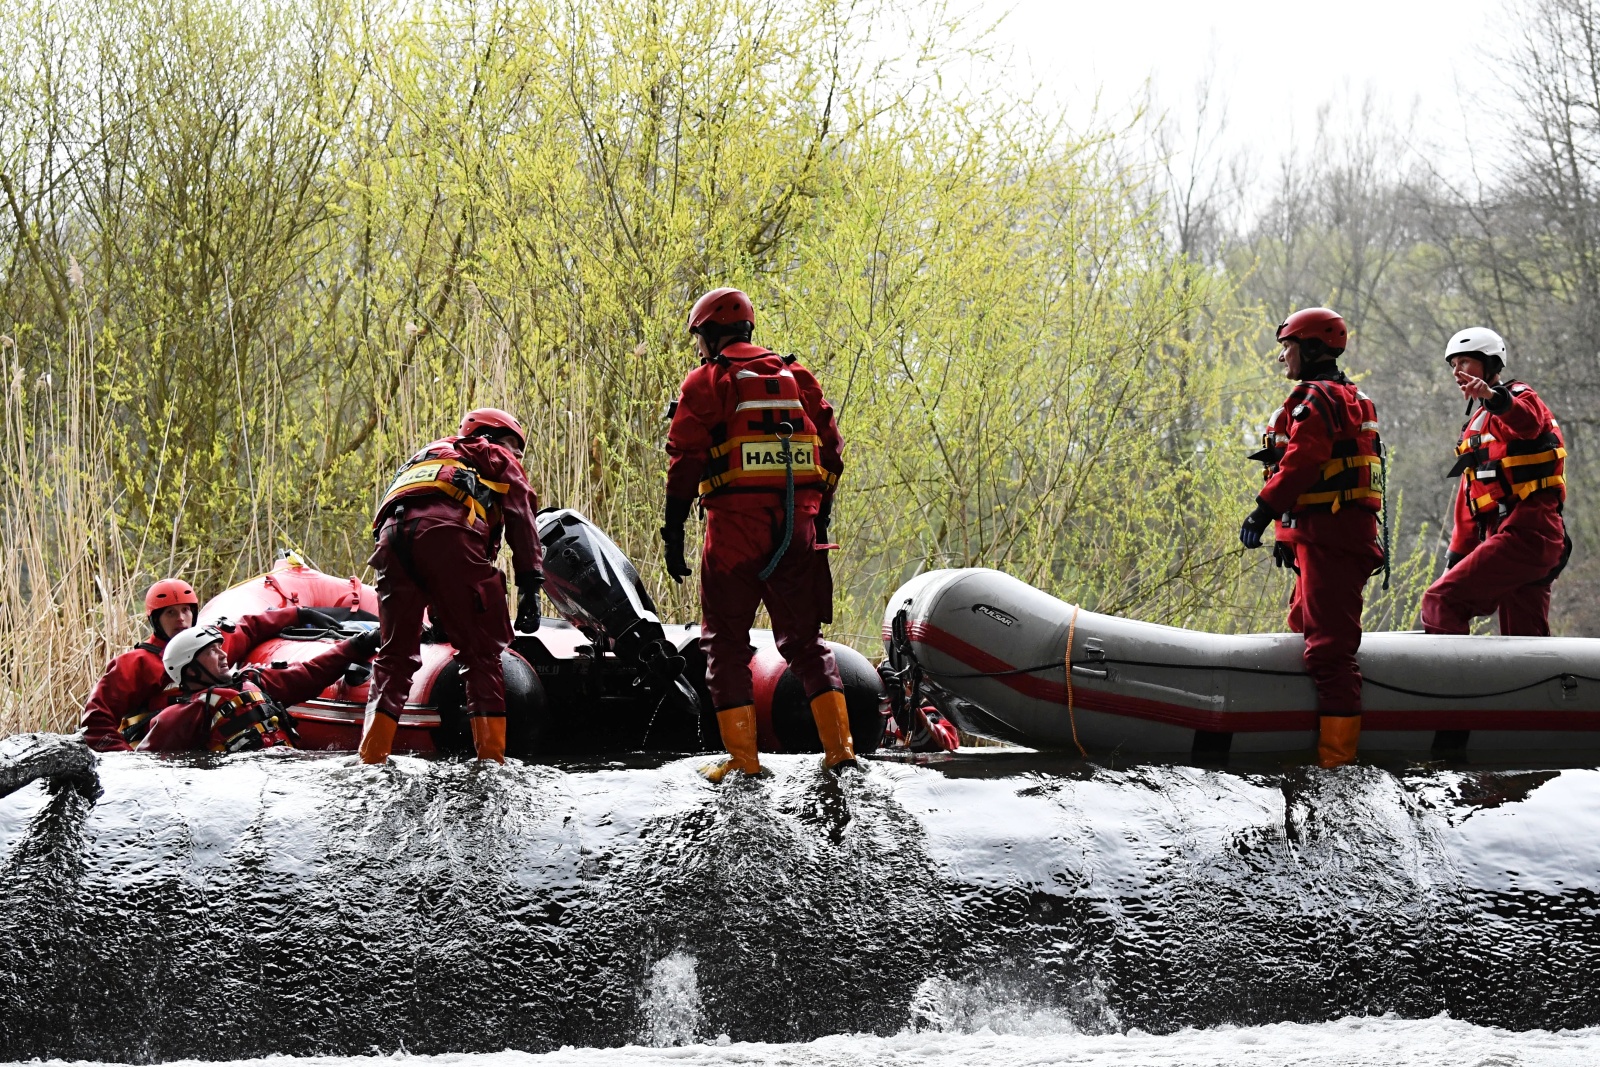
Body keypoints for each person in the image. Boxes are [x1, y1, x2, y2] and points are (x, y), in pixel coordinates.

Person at [662, 287, 853, 781]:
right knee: (806, 641)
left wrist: (672, 530)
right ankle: (840, 751)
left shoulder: (708, 381)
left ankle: (744, 760)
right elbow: (833, 453)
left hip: (735, 532)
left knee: (725, 643)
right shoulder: (798, 377)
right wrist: (818, 515)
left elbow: (684, 461)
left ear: (709, 335)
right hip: (798, 527)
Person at [1240, 307, 1385, 769]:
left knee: (1328, 652)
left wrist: (1264, 511)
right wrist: (1288, 535)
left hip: (1332, 540)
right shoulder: (1343, 396)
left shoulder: (1319, 398)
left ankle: (1336, 764)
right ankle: (1307, 739)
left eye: (1288, 347)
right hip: (1323, 536)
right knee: (1302, 625)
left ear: (1314, 348)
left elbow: (1303, 461)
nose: (1282, 356)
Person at [358, 407, 543, 765]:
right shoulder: (491, 453)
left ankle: (371, 757)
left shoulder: (423, 457)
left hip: (391, 543)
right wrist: (530, 582)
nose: (517, 457)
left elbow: (409, 522)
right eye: (514, 446)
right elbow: (521, 512)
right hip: (449, 537)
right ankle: (492, 763)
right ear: (489, 436)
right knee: (482, 653)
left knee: (394, 657)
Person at [1421, 327, 1569, 636]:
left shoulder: (1518, 396)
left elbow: (1528, 423)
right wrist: (1456, 559)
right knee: (1524, 639)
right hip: (1508, 538)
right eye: (1453, 365)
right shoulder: (1476, 426)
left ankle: (1449, 670)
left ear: (1490, 363)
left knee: (1440, 601)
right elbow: (1470, 499)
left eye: (1464, 362)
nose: (1456, 371)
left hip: (1528, 533)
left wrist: (1492, 397)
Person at [80, 578, 338, 752]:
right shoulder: (133, 664)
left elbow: (250, 628)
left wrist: (298, 614)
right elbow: (96, 721)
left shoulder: (211, 648)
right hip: (160, 752)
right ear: (155, 620)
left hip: (212, 749)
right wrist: (125, 764)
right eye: (171, 613)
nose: (181, 619)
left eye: (186, 610)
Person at [138, 623, 381, 752]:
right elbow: (149, 765)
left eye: (220, 647)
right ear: (190, 669)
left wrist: (360, 644)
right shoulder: (181, 716)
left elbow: (311, 673)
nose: (223, 655)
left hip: (286, 771)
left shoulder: (255, 682)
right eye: (211, 651)